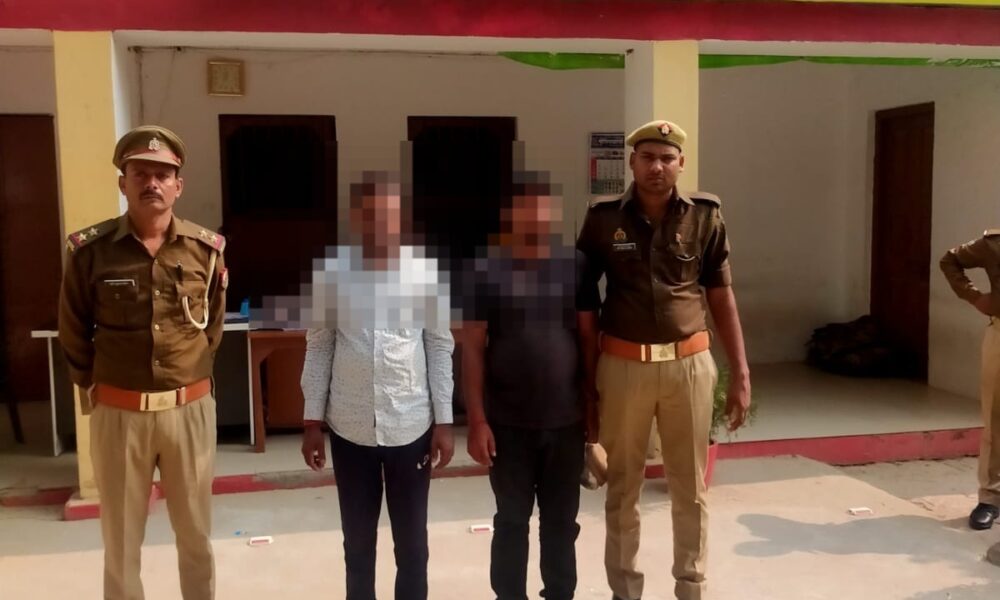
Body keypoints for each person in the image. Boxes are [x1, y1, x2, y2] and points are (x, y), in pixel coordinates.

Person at [575, 120, 751, 600]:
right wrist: (586, 382)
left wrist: (740, 371)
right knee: (622, 488)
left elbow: (721, 294)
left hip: (688, 367)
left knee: (689, 488)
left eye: (667, 158)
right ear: (632, 163)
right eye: (648, 157)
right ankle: (625, 590)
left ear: (681, 164)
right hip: (623, 367)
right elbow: (584, 304)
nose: (657, 167)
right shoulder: (602, 219)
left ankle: (691, 586)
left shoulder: (705, 216)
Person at [58, 125, 227, 600]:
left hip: (189, 412)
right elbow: (73, 329)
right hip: (119, 414)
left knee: (196, 537)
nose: (152, 183)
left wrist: (188, 375)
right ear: (123, 182)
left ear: (178, 185)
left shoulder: (205, 250)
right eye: (140, 174)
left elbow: (211, 330)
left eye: (162, 174)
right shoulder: (90, 252)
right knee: (121, 542)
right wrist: (95, 388)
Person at [296, 172, 455, 600]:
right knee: (358, 545)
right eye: (370, 216)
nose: (379, 226)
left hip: (411, 429)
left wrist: (445, 422)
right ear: (357, 218)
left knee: (413, 546)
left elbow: (439, 347)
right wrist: (312, 422)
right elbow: (319, 347)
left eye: (388, 216)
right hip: (351, 432)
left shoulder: (426, 275)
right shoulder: (332, 277)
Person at [460, 174, 584, 600]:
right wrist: (477, 420)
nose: (534, 215)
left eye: (541, 206)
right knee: (512, 521)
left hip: (567, 423)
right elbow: (472, 348)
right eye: (523, 206)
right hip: (507, 425)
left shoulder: (575, 265)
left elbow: (589, 339)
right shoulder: (482, 270)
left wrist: (593, 406)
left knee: (561, 524)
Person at [940, 232, 1000, 530]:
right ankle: (990, 498)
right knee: (995, 418)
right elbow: (950, 260)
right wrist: (975, 297)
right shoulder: (994, 243)